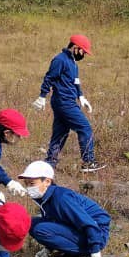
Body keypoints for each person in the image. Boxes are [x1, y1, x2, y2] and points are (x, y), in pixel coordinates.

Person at [19, 161, 110, 257]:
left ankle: (84, 254)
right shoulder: (44, 198)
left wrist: (95, 255)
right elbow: (55, 221)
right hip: (80, 230)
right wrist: (48, 248)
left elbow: (88, 223)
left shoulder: (61, 199)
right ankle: (72, 250)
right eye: (26, 184)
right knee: (31, 223)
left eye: (32, 183)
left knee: (40, 229)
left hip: (97, 232)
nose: (28, 188)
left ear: (47, 181)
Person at [32, 33, 100, 172]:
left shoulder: (73, 63)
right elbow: (49, 78)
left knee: (61, 132)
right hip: (64, 102)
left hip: (67, 101)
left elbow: (75, 82)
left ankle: (50, 163)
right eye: (83, 51)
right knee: (85, 128)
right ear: (75, 48)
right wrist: (42, 96)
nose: (84, 55)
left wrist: (81, 96)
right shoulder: (60, 60)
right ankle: (88, 162)